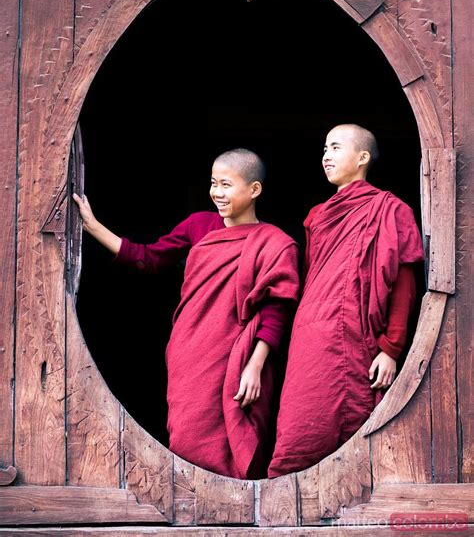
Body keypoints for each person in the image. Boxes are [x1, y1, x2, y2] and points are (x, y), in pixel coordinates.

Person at [73, 148, 299, 479]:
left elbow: (276, 310)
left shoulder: (275, 243)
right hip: (190, 352)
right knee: (188, 432)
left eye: (227, 185)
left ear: (254, 190)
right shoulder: (199, 225)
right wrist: (93, 227)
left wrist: (255, 365)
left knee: (241, 433)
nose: (217, 193)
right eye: (213, 183)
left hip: (240, 356)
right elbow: (148, 258)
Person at [268, 124, 425, 478]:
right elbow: (316, 278)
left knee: (356, 437)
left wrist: (391, 348)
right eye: (325, 148)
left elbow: (403, 283)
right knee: (298, 428)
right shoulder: (318, 216)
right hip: (309, 333)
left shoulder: (390, 210)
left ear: (362, 157)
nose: (326, 156)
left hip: (358, 336)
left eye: (336, 148)